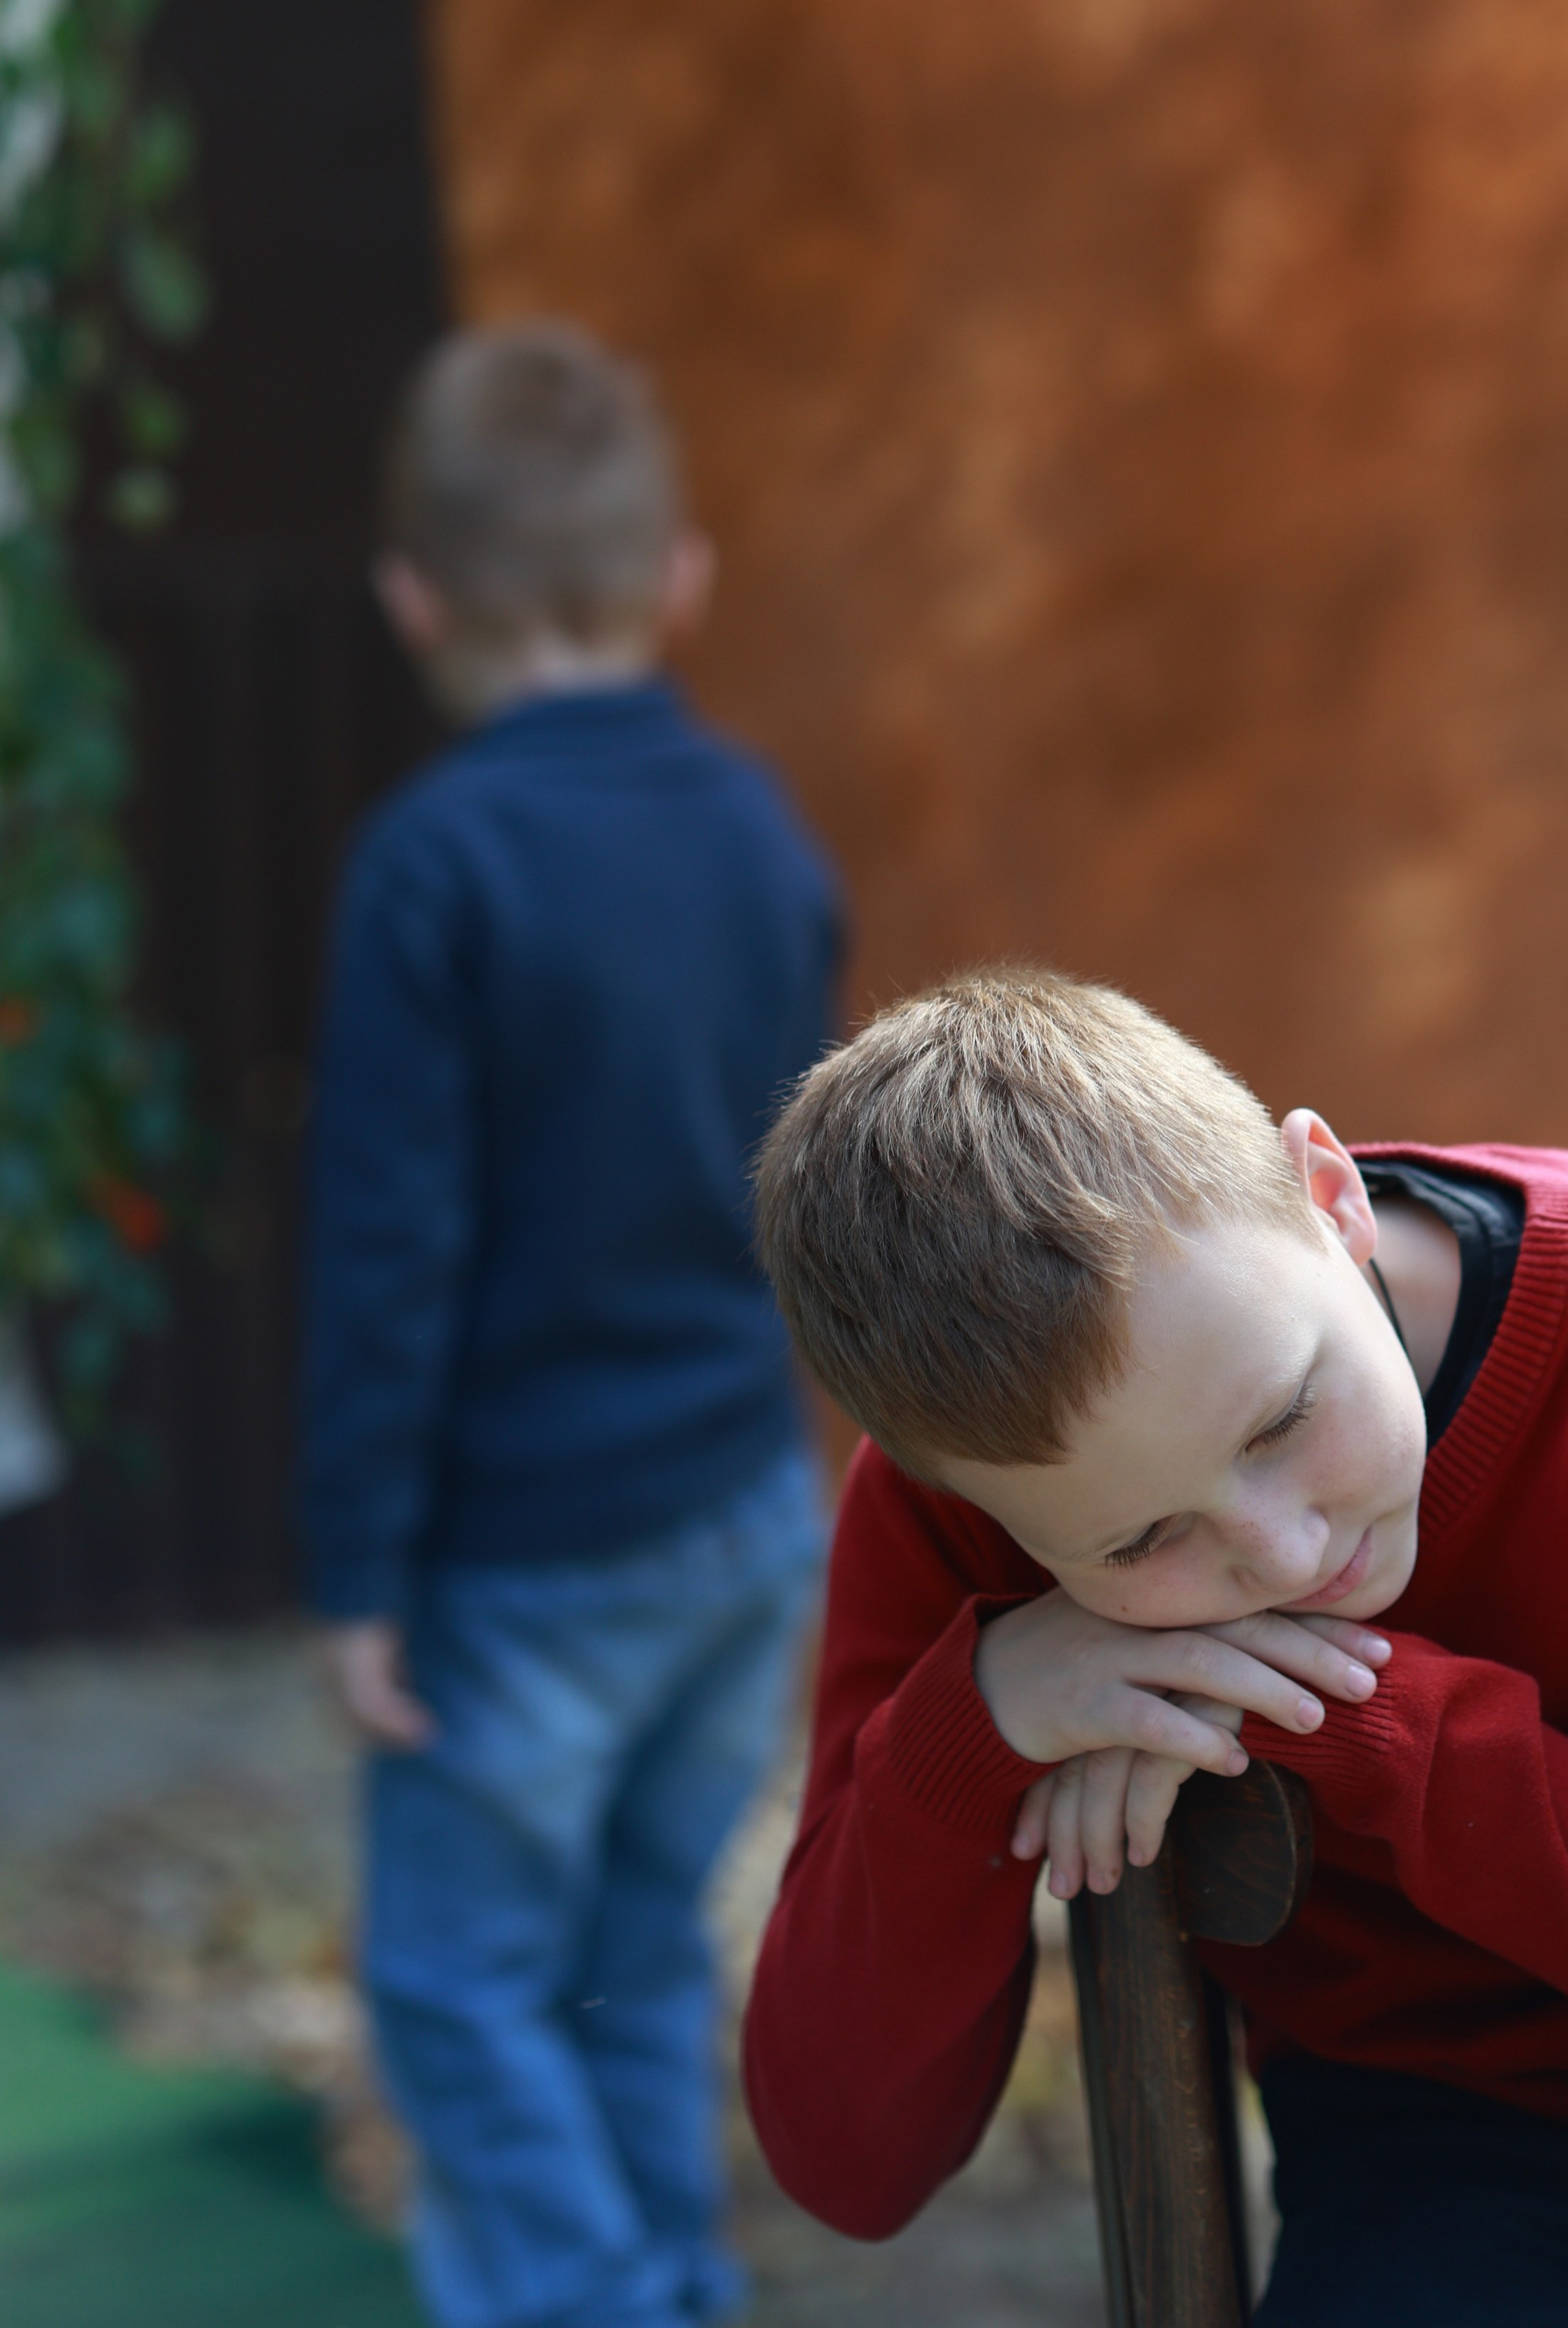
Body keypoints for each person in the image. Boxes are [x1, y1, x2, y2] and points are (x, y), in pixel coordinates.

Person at [743, 969, 1568, 2326]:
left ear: (1332, 1197)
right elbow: (847, 2163)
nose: (1288, 1556)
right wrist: (970, 1734)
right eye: (1140, 1550)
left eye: (1279, 1423)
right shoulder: (970, 1483)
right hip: (1439, 2128)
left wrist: (1345, 1714)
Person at [302, 320, 843, 2328]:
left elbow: (388, 1255)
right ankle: (663, 2284)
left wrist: (357, 1572)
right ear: (678, 573)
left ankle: (594, 2303)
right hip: (735, 1512)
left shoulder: (432, 868)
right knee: (636, 1943)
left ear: (412, 597)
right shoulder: (760, 832)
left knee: (457, 1978)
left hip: (522, 1551)